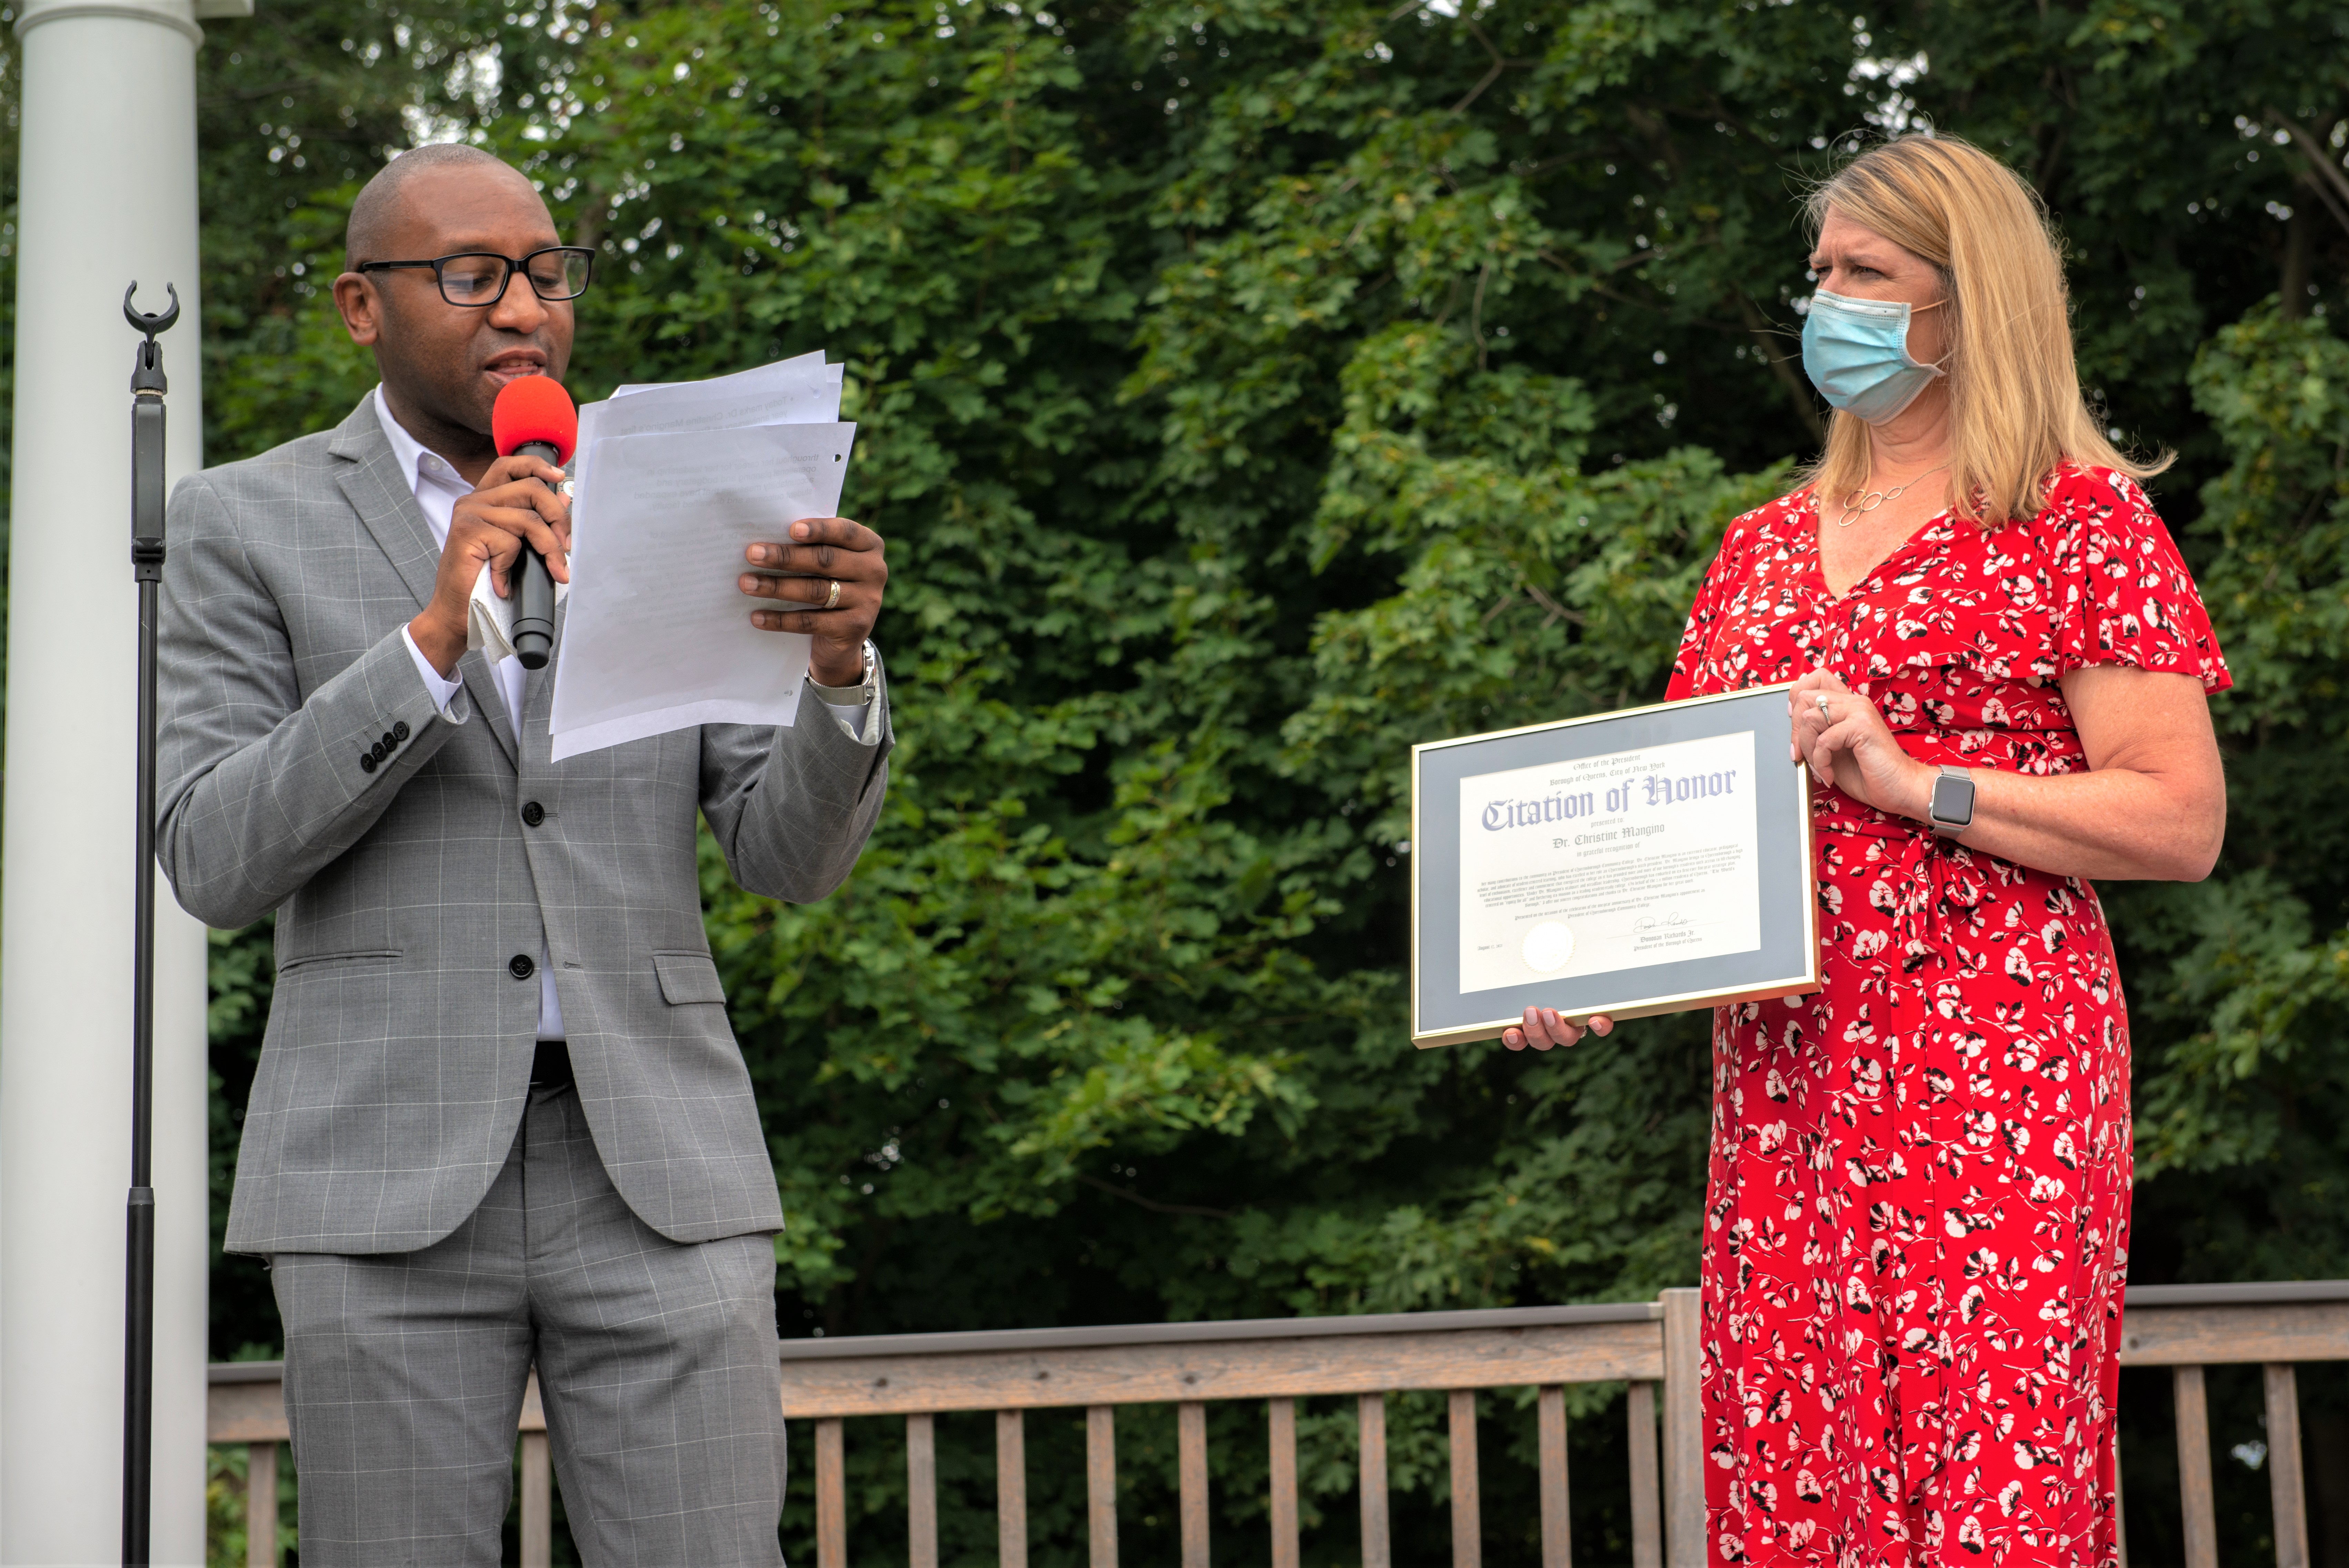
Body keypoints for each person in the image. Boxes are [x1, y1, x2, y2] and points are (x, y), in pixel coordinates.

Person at [157, 144, 891, 1566]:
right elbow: (214, 855)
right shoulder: (242, 524)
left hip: (659, 1171)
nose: (523, 311)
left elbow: (785, 856)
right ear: (361, 307)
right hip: (380, 1177)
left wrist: (840, 671)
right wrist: (431, 645)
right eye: (472, 275)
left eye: (546, 275)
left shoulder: (671, 499)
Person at [1503, 133, 2229, 1560]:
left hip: (1997, 1071)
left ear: (1969, 298)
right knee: (1799, 1471)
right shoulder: (1758, 547)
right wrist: (1573, 962)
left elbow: (2178, 817)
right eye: (1819, 270)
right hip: (1788, 1080)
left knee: (1990, 1470)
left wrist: (1916, 784)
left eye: (1863, 271)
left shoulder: (2075, 519)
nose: (1822, 298)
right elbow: (1673, 839)